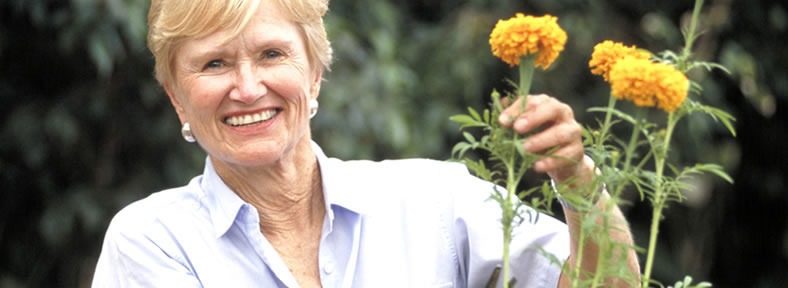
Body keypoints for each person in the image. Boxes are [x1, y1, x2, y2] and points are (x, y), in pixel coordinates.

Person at [92, 0, 639, 287]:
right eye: (214, 63)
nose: (248, 87)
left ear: (314, 74)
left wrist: (578, 179)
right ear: (177, 98)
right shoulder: (152, 240)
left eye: (271, 55)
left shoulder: (433, 199)